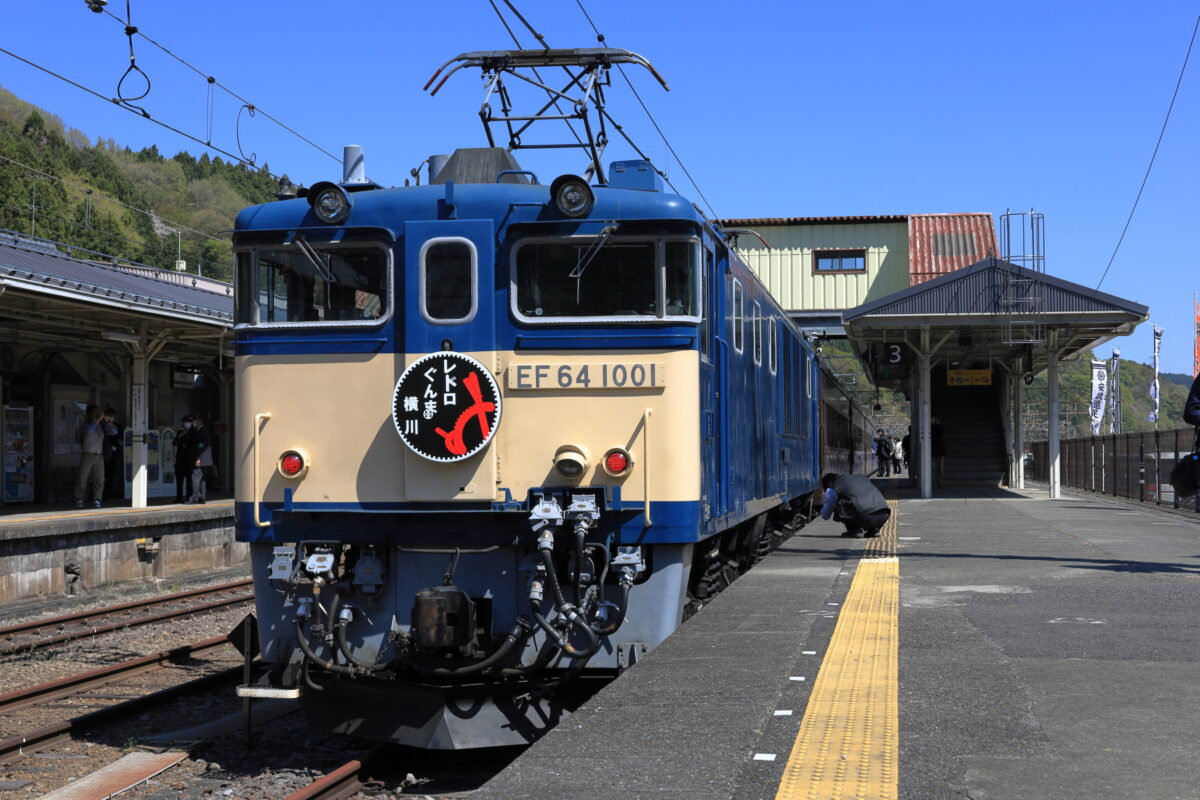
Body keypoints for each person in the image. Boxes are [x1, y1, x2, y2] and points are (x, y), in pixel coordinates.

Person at [818, 472, 891, 538]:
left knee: (841, 504)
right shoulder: (860, 477)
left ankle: (855, 530)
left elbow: (825, 515)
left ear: (828, 484)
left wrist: (825, 502)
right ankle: (873, 530)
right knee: (857, 501)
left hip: (863, 516)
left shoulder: (832, 488)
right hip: (884, 514)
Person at [74, 404, 117, 508]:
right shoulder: (85, 424)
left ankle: (97, 498)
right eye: (95, 412)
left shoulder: (101, 425)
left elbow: (114, 431)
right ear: (89, 414)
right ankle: (79, 498)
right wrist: (98, 419)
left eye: (98, 412)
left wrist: (109, 421)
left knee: (100, 478)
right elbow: (89, 430)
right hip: (88, 454)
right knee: (83, 477)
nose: (97, 414)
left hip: (99, 455)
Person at [187, 413, 214, 504]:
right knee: (202, 479)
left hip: (201, 458)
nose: (193, 423)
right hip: (206, 459)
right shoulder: (202, 430)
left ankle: (194, 498)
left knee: (195, 477)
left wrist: (198, 458)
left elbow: (201, 445)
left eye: (194, 421)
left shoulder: (202, 431)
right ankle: (202, 497)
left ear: (199, 421)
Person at [102, 408, 124, 500]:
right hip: (103, 452)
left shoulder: (118, 426)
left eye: (112, 416)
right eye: (108, 416)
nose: (110, 418)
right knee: (102, 475)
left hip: (114, 453)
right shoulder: (102, 425)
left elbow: (121, 439)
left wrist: (115, 446)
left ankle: (110, 494)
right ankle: (101, 494)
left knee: (112, 474)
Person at [174, 415, 195, 503]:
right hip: (180, 459)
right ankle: (179, 498)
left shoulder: (193, 432)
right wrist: (180, 436)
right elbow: (174, 442)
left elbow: (194, 444)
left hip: (189, 460)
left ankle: (188, 498)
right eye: (185, 421)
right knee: (179, 480)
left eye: (188, 422)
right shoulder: (180, 432)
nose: (186, 423)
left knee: (189, 480)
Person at [931, 417, 946, 489]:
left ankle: (939, 483)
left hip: (939, 450)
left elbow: (942, 431)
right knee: (935, 468)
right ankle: (935, 483)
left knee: (939, 468)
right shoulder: (931, 428)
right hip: (936, 450)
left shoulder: (939, 428)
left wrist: (938, 424)